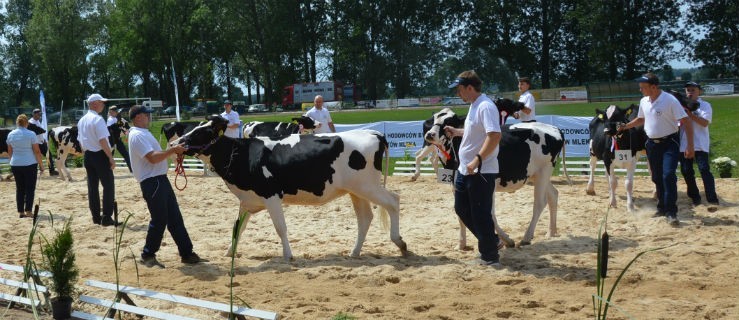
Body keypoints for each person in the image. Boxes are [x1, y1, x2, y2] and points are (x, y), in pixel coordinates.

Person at [127, 105, 202, 267]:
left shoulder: (142, 134)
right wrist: (172, 150)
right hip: (152, 182)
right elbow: (152, 158)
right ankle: (148, 255)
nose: (149, 118)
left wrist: (172, 151)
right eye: (147, 115)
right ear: (138, 117)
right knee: (160, 219)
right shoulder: (137, 136)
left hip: (159, 180)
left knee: (175, 217)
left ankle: (187, 253)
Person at [618, 73, 694, 226]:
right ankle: (661, 208)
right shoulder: (644, 101)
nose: (640, 90)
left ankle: (672, 212)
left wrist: (690, 146)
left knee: (668, 176)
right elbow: (641, 119)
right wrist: (625, 126)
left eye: (643, 87)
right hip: (651, 144)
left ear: (654, 87)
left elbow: (686, 121)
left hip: (669, 143)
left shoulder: (670, 100)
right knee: (657, 177)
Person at [444, 70, 503, 268]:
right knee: (461, 209)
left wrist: (477, 159)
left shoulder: (485, 106)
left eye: (460, 90)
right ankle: (491, 241)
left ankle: (490, 256)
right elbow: (477, 132)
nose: (458, 94)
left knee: (480, 213)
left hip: (481, 170)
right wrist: (457, 132)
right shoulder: (474, 105)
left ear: (470, 88)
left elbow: (494, 135)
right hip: (466, 169)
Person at [78, 93, 120, 227]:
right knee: (108, 185)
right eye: (101, 103)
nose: (103, 105)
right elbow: (103, 140)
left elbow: (80, 141)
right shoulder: (98, 119)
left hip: (88, 155)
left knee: (92, 187)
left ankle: (96, 217)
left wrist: (86, 153)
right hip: (99, 155)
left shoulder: (82, 120)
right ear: (95, 104)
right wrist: (110, 158)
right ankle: (107, 217)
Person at [679, 81, 719, 205]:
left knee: (704, 169)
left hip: (700, 143)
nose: (690, 92)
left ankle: (712, 199)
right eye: (688, 90)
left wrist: (690, 115)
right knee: (686, 171)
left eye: (693, 90)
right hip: (684, 143)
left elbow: (704, 123)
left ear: (699, 91)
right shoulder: (679, 106)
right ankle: (695, 197)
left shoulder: (705, 105)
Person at [6, 114, 45, 218]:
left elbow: (10, 152)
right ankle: (28, 211)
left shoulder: (11, 134)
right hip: (29, 164)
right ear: (26, 123)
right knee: (30, 188)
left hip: (15, 164)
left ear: (17, 123)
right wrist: (41, 165)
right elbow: (37, 151)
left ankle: (21, 212)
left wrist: (12, 162)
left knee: (20, 188)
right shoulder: (31, 134)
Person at [29, 108, 58, 175]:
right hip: (35, 143)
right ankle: (34, 171)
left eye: (40, 114)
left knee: (49, 155)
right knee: (35, 157)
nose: (39, 115)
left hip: (41, 142)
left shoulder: (37, 121)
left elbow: (40, 132)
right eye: (38, 114)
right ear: (34, 114)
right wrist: (42, 131)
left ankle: (52, 171)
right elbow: (38, 131)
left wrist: (43, 139)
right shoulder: (31, 122)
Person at [106, 106, 132, 172]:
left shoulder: (118, 119)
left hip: (117, 139)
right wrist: (120, 123)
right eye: (110, 112)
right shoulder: (111, 119)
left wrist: (123, 125)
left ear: (116, 112)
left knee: (125, 154)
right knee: (110, 155)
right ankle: (107, 170)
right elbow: (113, 128)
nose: (110, 113)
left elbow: (126, 128)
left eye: (112, 112)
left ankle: (132, 169)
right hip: (111, 140)